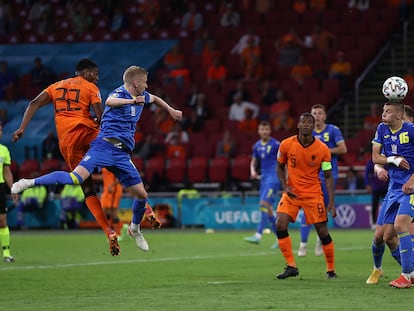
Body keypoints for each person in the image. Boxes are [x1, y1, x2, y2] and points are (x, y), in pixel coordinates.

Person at [12, 65, 181, 252]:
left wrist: (171, 110)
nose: (147, 86)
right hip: (103, 146)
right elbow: (110, 101)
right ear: (135, 83)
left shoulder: (143, 97)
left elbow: (155, 99)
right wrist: (131, 102)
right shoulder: (120, 94)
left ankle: (135, 229)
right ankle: (29, 182)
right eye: (145, 82)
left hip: (122, 154)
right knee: (76, 178)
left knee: (142, 195)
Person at [11, 58, 121, 256]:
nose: (97, 77)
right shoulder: (90, 87)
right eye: (95, 73)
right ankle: (143, 205)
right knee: (117, 149)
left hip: (67, 142)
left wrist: (22, 128)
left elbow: (34, 103)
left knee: (87, 188)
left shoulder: (56, 86)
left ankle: (108, 232)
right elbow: (102, 116)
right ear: (85, 72)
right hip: (87, 132)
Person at [275, 112, 337, 279]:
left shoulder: (323, 150)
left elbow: (328, 175)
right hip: (292, 193)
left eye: (310, 122)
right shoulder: (286, 144)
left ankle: (331, 269)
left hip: (313, 194)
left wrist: (331, 201)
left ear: (313, 126)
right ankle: (291, 266)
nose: (307, 125)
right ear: (299, 125)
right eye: (304, 122)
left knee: (322, 231)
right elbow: (280, 167)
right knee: (280, 224)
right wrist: (284, 186)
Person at [367, 102, 414, 287]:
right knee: (384, 236)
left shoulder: (410, 130)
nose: (383, 114)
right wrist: (391, 160)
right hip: (394, 189)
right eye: (383, 110)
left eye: (388, 111)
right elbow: (375, 158)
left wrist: (412, 180)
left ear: (399, 116)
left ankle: (406, 275)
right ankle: (405, 272)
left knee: (401, 226)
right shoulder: (382, 129)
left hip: (410, 188)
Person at [298, 104, 347, 257]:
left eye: (320, 113)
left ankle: (320, 239)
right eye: (315, 114)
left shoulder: (333, 130)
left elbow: (343, 149)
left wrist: (323, 151)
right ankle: (303, 245)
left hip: (328, 176)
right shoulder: (307, 133)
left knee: (322, 211)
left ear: (325, 116)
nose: (317, 116)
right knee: (307, 209)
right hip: (310, 176)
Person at [244, 121, 280, 249]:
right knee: (269, 211)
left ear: (270, 131)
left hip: (274, 178)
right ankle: (280, 239)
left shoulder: (276, 145)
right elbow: (253, 161)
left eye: (266, 129)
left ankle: (258, 235)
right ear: (259, 131)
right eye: (262, 129)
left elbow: (284, 162)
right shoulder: (257, 146)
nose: (264, 132)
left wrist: (285, 178)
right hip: (264, 179)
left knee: (263, 204)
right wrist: (253, 171)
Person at [0, 123, 17, 262]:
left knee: (2, 221)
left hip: (0, 187)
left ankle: (6, 254)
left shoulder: (4, 150)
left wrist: (12, 188)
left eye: (0, 130)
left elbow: (6, 172)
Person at [365, 158, 388, 227]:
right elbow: (367, 174)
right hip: (375, 188)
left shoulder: (386, 160)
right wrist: (367, 184)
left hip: (386, 187)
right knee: (374, 205)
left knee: (387, 205)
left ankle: (386, 222)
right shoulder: (371, 162)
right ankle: (374, 223)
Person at [100, 168, 123, 237]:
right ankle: (114, 231)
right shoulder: (103, 162)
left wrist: (112, 185)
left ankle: (119, 233)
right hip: (107, 189)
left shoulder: (114, 161)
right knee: (105, 211)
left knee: (113, 212)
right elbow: (106, 176)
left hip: (114, 189)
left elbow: (120, 177)